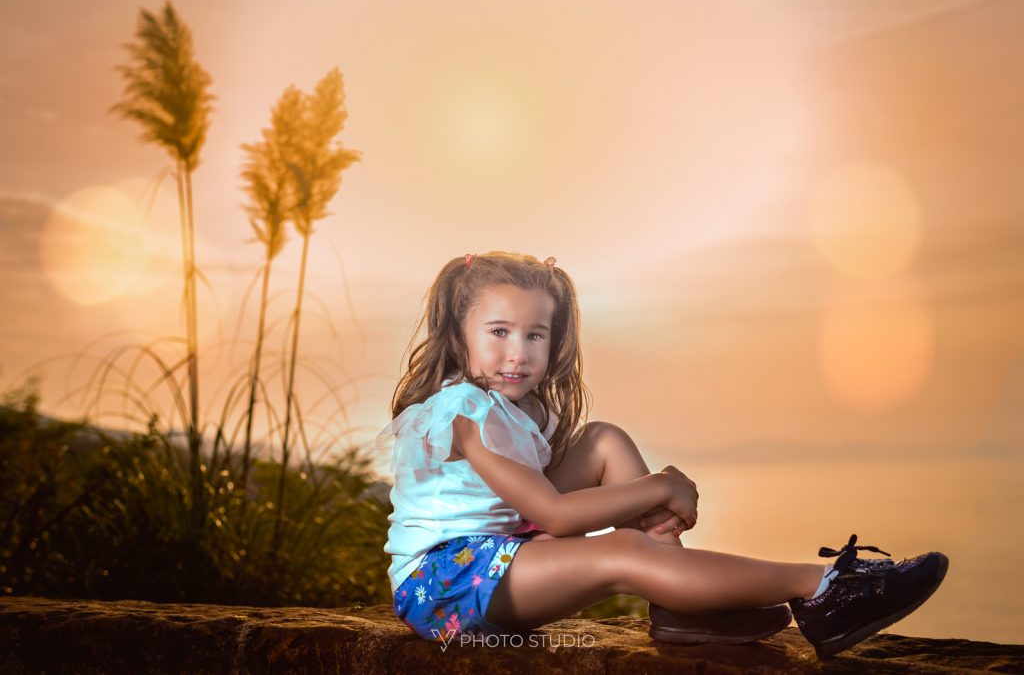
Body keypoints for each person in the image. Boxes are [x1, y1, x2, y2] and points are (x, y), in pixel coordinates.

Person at [375, 250, 948, 659]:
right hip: (443, 584)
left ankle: (679, 604)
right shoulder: (464, 414)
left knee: (603, 440)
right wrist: (662, 486)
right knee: (623, 549)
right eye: (498, 331)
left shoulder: (517, 413)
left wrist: (653, 490)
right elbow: (554, 516)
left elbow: (545, 504)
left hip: (497, 554)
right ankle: (822, 588)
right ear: (460, 335)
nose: (518, 353)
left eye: (535, 335)